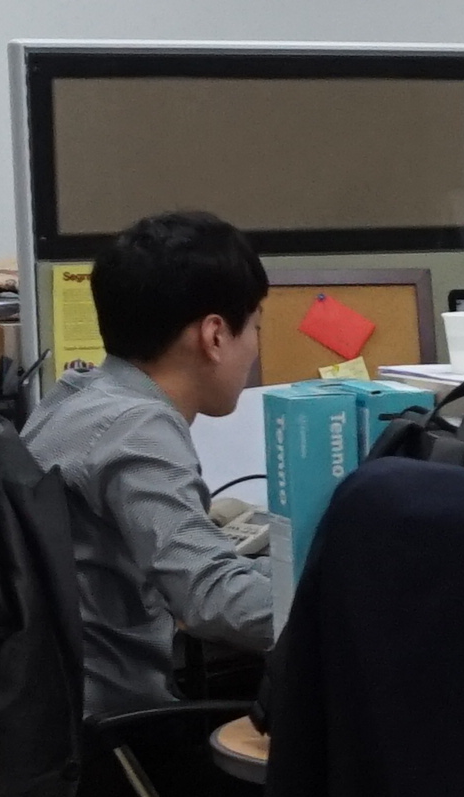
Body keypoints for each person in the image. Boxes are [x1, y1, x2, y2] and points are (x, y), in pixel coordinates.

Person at [22, 208, 281, 716]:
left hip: (52, 710)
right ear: (214, 336)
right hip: (114, 729)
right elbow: (209, 596)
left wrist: (312, 574)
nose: (254, 346)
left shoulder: (77, 394)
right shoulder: (138, 428)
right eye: (254, 327)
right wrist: (360, 610)